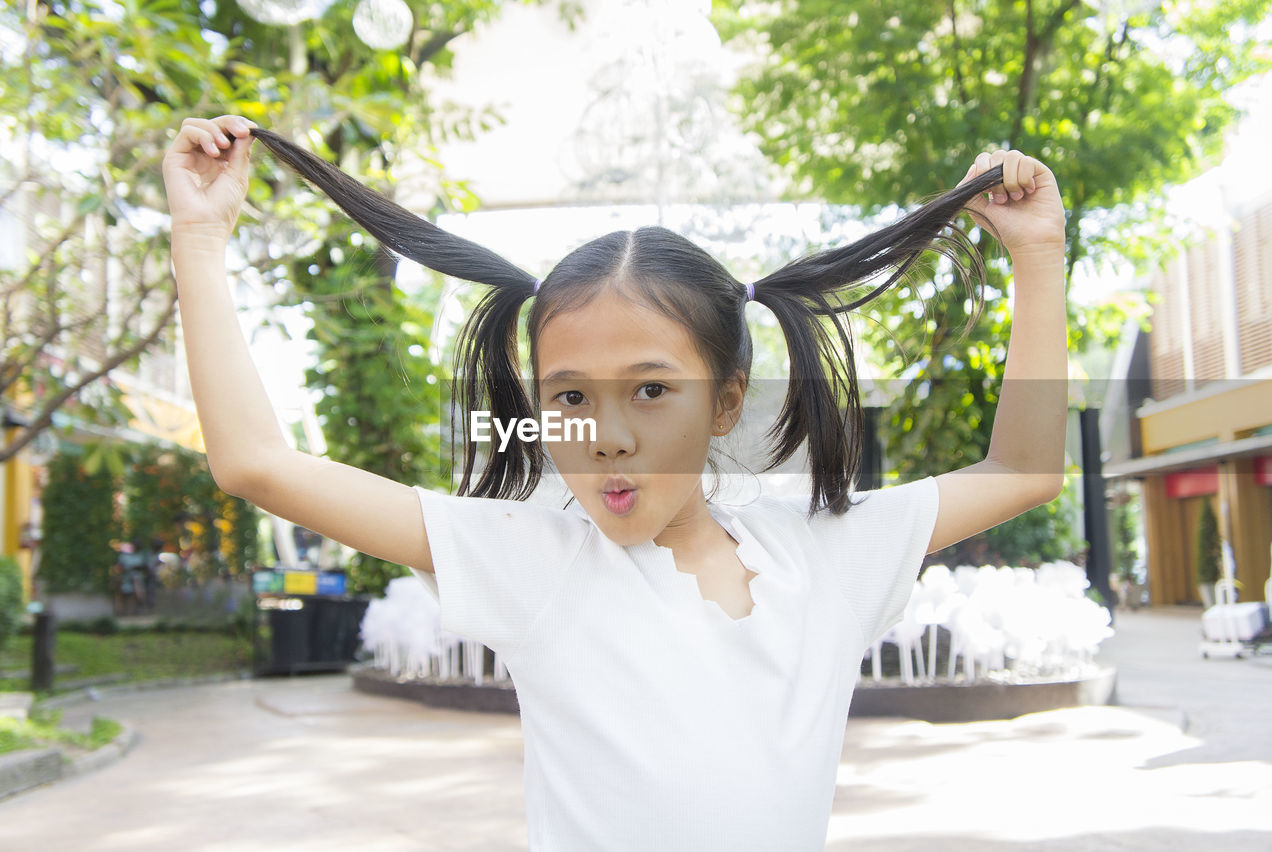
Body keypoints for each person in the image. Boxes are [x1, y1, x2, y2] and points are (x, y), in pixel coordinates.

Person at [162, 115, 1067, 850]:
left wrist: (1037, 256)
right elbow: (257, 463)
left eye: (651, 389)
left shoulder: (828, 555)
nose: (606, 438)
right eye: (568, 396)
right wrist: (200, 242)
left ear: (725, 404)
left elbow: (1024, 469)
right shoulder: (533, 563)